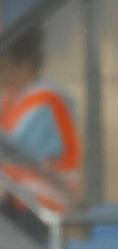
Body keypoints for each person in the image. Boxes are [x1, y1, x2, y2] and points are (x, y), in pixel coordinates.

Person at [0, 28, 80, 224]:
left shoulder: (46, 99)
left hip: (41, 204)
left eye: (4, 67)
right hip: (18, 201)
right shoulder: (16, 99)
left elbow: (18, 151)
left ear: (25, 66)